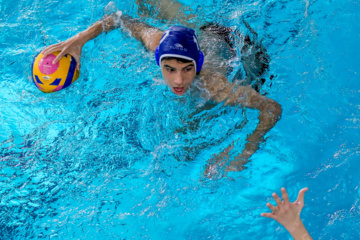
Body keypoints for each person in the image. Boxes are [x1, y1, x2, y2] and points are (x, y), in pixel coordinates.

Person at [41, 1, 282, 177]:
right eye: (169, 69)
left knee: (187, 141)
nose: (178, 80)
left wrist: (245, 152)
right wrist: (78, 40)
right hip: (203, 32)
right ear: (159, 61)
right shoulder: (155, 40)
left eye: (186, 70)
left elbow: (271, 108)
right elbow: (118, 19)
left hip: (240, 48)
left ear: (196, 66)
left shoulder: (214, 86)